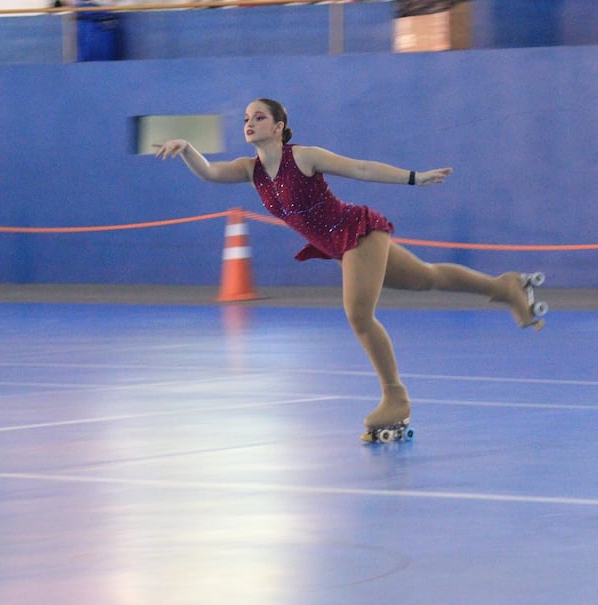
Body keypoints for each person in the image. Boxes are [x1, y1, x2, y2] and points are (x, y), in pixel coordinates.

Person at [155, 98, 543, 434]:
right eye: (245, 118)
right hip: (339, 245)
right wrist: (187, 147)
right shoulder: (249, 169)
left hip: (357, 232)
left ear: (278, 127)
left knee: (359, 315)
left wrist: (414, 178)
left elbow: (360, 168)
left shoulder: (303, 157)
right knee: (427, 277)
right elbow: (208, 171)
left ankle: (395, 396)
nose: (249, 123)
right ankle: (505, 288)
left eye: (258, 117)